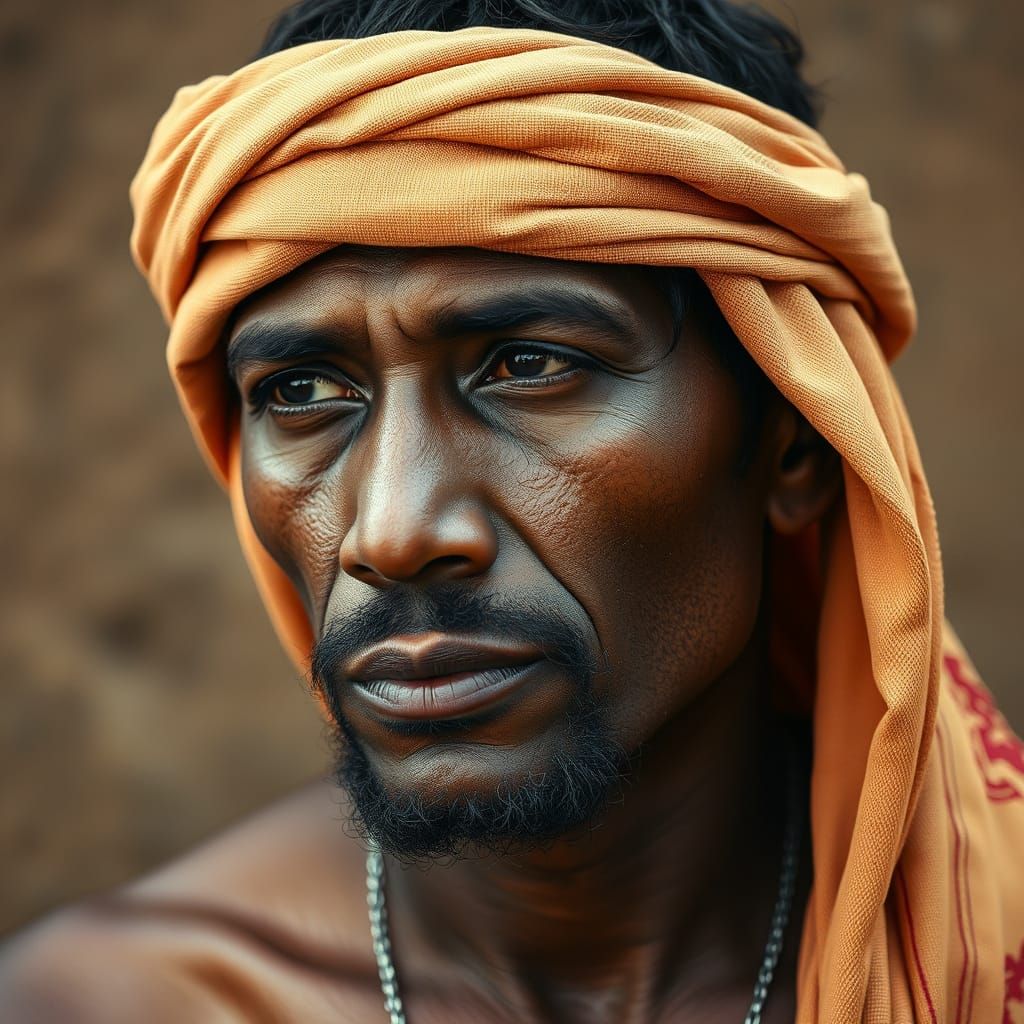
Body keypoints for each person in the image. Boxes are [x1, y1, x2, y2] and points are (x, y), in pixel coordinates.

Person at [2, 0, 1022, 1020]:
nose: (392, 533)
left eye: (528, 365)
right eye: (304, 391)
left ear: (794, 438)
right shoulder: (104, 1002)